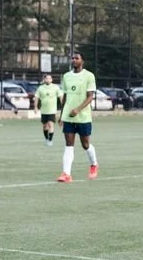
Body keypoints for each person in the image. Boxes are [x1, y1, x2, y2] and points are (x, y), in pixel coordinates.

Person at [57, 52, 98, 181]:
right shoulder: (66, 76)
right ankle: (66, 174)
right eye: (72, 58)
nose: (74, 60)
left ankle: (94, 164)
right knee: (69, 144)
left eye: (77, 58)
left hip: (83, 117)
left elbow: (90, 96)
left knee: (85, 144)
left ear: (82, 61)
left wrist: (78, 110)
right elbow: (65, 96)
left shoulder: (89, 76)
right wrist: (61, 114)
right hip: (68, 117)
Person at [34, 73, 59, 144]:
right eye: (46, 78)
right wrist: (35, 107)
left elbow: (61, 96)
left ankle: (50, 140)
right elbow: (36, 97)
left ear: (51, 80)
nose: (48, 80)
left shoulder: (55, 87)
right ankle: (46, 138)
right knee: (45, 126)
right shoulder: (40, 88)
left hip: (52, 110)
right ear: (44, 80)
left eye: (49, 78)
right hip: (44, 111)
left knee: (51, 125)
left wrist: (64, 105)